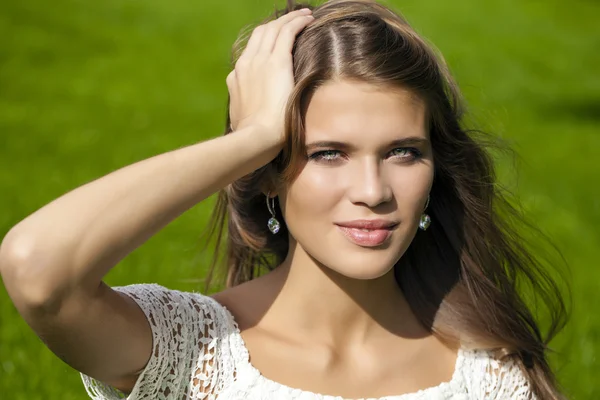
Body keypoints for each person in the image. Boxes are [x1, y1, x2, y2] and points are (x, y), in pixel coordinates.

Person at [0, 0, 569, 399]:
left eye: (402, 152)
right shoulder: (195, 353)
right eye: (327, 153)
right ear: (268, 173)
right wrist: (253, 138)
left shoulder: (491, 378)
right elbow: (37, 270)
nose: (372, 192)